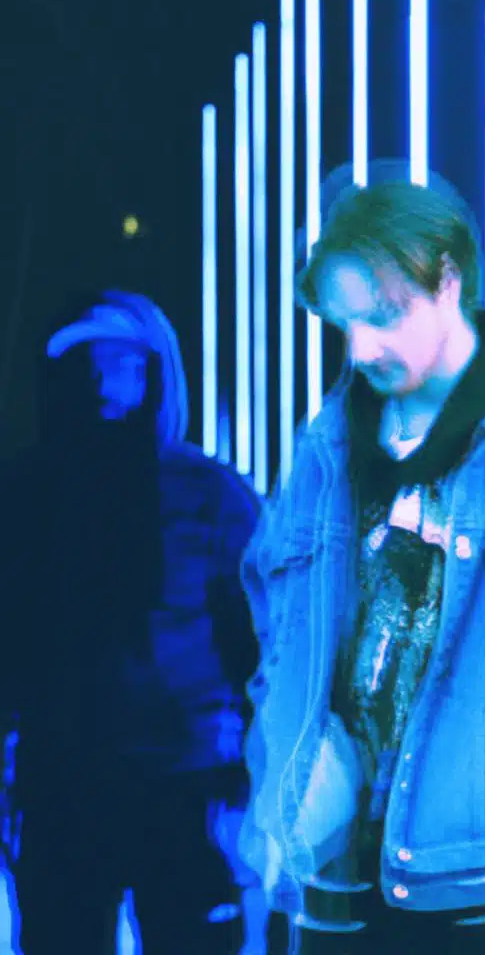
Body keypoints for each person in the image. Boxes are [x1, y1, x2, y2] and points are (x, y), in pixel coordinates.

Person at [239, 161, 485, 955]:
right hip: (332, 879)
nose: (362, 346)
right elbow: (278, 646)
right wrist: (279, 800)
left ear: (447, 280)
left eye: (382, 315)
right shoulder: (326, 451)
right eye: (344, 323)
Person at [0, 289, 263, 955]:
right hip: (65, 777)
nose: (101, 380)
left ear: (155, 373)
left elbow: (262, 641)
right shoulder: (23, 495)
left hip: (185, 782)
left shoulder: (209, 495)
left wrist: (250, 775)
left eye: (120, 361)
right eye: (85, 363)